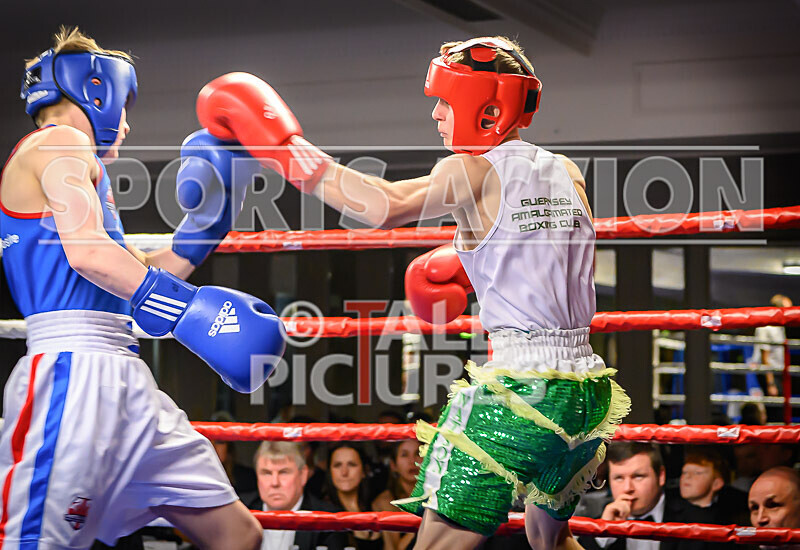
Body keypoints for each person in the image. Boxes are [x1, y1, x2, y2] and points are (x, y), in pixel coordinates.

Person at [193, 35, 631, 549]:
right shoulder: (565, 171)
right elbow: (569, 261)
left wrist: (286, 152)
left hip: (519, 389)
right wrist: (473, 261)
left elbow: (382, 206)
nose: (438, 115)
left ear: (482, 106)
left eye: (446, 102)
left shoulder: (469, 169)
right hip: (585, 393)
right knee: (551, 543)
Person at [0, 27, 286, 549]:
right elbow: (89, 255)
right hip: (71, 368)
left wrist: (205, 228)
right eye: (124, 106)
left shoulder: (83, 172)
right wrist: (185, 311)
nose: (127, 123)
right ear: (95, 92)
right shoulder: (58, 143)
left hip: (124, 372)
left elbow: (132, 268)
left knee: (236, 536)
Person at [242, 441, 346, 550]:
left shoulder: (329, 520)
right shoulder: (240, 512)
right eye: (266, 473)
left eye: (283, 472)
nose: (274, 483)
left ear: (303, 475)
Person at [324, 444, 383, 549]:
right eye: (337, 465)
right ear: (330, 472)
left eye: (351, 464)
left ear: (364, 471)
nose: (344, 472)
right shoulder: (323, 514)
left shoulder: (376, 508)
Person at [372, 440, 422, 550]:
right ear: (393, 465)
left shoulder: (435, 496)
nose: (412, 461)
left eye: (418, 454)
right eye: (404, 455)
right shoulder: (385, 502)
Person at [750, 294, 792, 397]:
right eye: (788, 311)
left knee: (781, 406)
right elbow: (765, 357)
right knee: (774, 406)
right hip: (769, 373)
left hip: (778, 371)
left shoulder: (779, 327)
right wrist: (770, 383)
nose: (791, 314)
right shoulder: (767, 327)